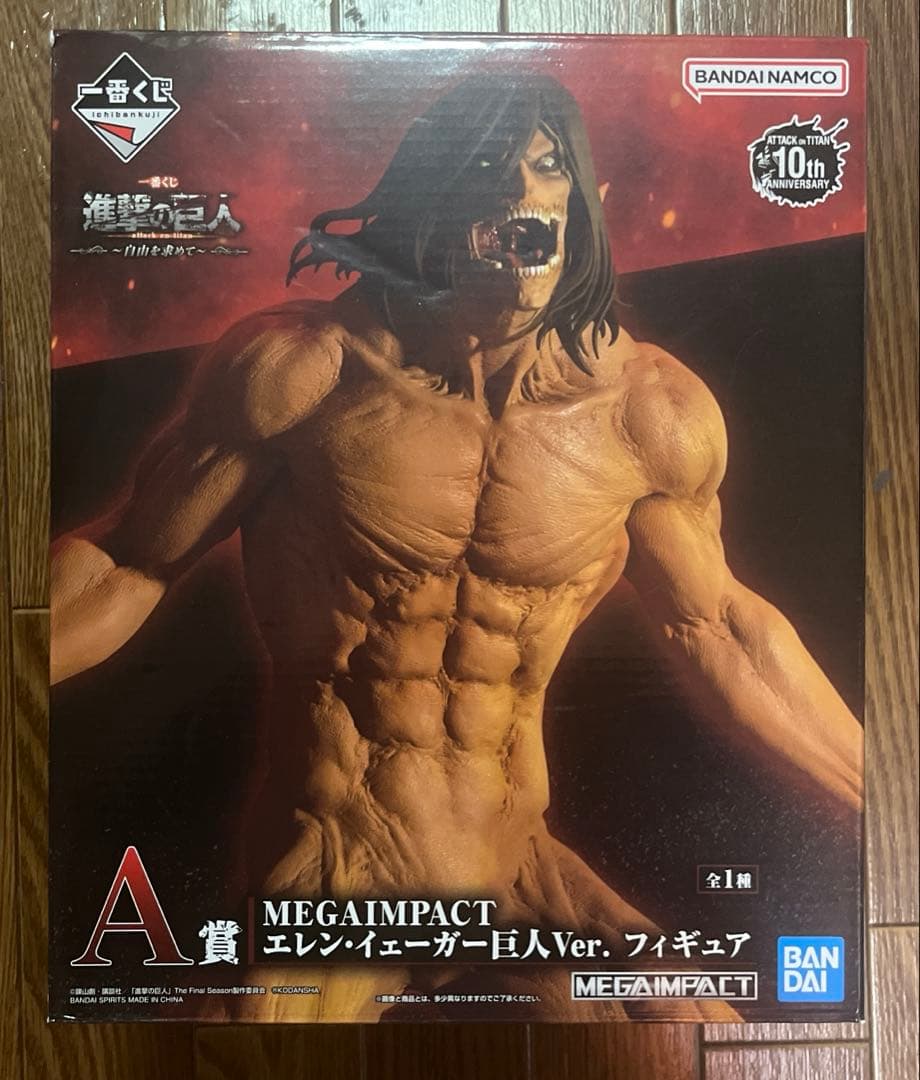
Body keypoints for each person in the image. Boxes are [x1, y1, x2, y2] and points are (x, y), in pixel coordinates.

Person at [50, 74, 862, 1020]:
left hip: (518, 867)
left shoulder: (649, 414)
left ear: (581, 203)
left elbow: (720, 627)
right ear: (434, 198)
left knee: (713, 1045)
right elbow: (127, 564)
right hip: (341, 864)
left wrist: (883, 802)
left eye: (547, 167)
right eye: (486, 167)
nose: (520, 191)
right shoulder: (303, 372)